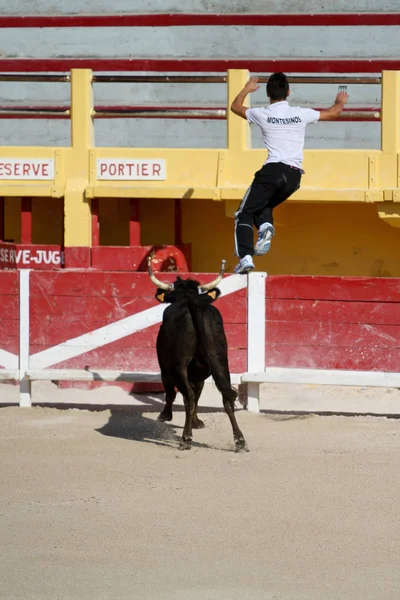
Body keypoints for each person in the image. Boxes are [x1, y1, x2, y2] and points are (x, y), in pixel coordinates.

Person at [230, 72, 349, 273]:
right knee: (264, 203)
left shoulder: (262, 113)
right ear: (289, 92)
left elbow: (235, 107)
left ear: (268, 93)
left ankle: (245, 257)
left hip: (273, 170)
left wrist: (247, 89)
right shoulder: (300, 113)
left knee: (243, 214)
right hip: (293, 177)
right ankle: (266, 226)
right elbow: (334, 112)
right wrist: (339, 101)